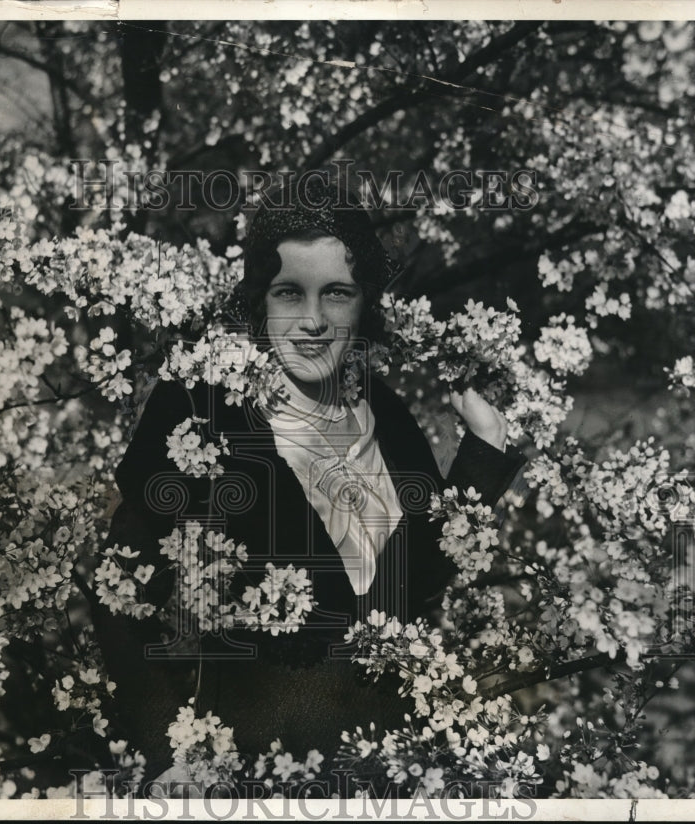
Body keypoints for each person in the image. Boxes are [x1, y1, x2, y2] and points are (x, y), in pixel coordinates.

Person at [90, 179, 526, 792]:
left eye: (337, 294)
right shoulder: (203, 415)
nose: (314, 320)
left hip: (389, 775)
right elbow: (120, 595)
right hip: (254, 779)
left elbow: (419, 580)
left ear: (363, 302)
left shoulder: (389, 420)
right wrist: (169, 756)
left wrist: (483, 448)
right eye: (290, 292)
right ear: (259, 301)